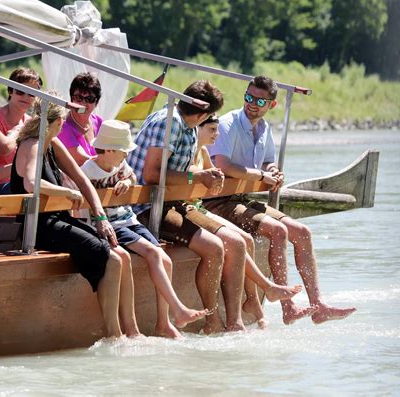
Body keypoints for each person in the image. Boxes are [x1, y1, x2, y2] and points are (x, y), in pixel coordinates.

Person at [205, 75, 356, 325]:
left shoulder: (264, 129)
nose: (251, 103)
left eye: (259, 100)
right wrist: (262, 175)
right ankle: (289, 307)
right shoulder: (228, 123)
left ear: (271, 105)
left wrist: (272, 170)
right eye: (248, 97)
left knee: (303, 232)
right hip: (218, 202)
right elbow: (223, 164)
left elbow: (267, 160)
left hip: (243, 199)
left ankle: (318, 305)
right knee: (277, 231)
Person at [11, 96, 140, 339]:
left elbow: (83, 181)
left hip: (57, 219)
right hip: (38, 226)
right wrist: (67, 192)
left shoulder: (53, 143)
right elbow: (30, 183)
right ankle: (114, 335)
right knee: (110, 258)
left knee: (116, 256)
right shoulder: (32, 144)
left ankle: (124, 333)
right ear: (60, 122)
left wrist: (101, 219)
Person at [128, 80, 246, 334]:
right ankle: (212, 322)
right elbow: (152, 174)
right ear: (203, 114)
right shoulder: (167, 123)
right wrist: (196, 178)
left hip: (174, 202)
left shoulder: (190, 126)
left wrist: (206, 173)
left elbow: (182, 170)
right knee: (214, 248)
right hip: (146, 206)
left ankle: (235, 322)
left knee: (236, 242)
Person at [81, 119, 208, 339]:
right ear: (109, 150)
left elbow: (131, 175)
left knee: (164, 258)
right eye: (124, 152)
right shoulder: (88, 170)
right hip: (111, 225)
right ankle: (179, 309)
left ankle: (164, 321)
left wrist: (128, 183)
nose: (127, 156)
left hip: (128, 219)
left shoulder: (119, 164)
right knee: (152, 253)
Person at [190, 115, 304, 328]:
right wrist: (207, 176)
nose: (217, 134)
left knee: (247, 241)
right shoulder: (188, 151)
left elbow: (215, 179)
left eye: (217, 129)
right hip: (196, 208)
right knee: (238, 242)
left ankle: (255, 301)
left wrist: (217, 178)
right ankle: (260, 294)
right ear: (198, 128)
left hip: (203, 205)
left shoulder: (204, 152)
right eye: (212, 130)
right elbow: (202, 176)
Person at [0, 68, 42, 195]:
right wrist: (20, 168)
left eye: (31, 93)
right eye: (21, 91)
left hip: (15, 184)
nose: (26, 97)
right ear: (10, 91)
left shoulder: (29, 122)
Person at [57, 72, 104, 166]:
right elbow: (82, 160)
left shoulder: (99, 122)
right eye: (78, 97)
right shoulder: (62, 126)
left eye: (89, 99)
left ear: (97, 102)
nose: (82, 103)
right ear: (71, 99)